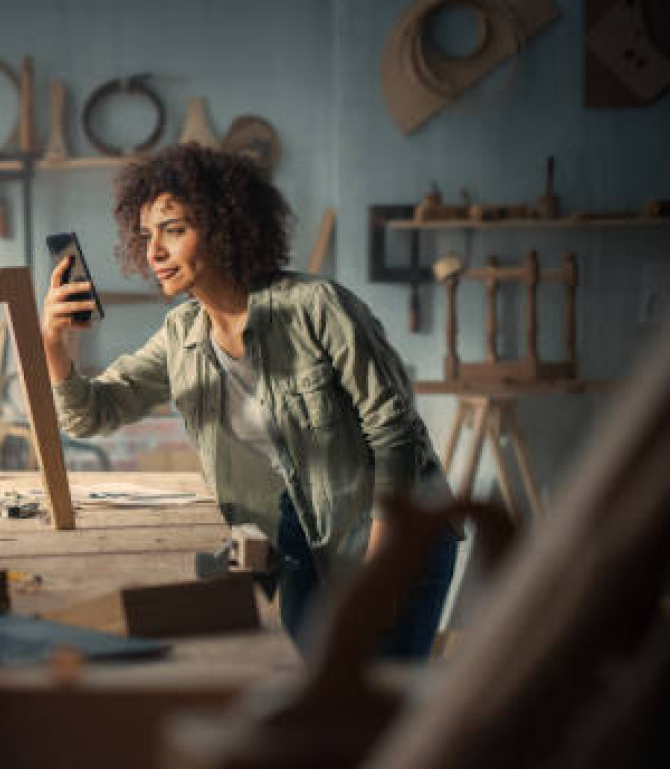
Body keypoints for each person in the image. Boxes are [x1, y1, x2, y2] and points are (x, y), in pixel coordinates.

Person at [42, 143, 456, 660]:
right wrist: (53, 343)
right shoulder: (182, 333)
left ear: (223, 227)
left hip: (397, 528)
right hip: (301, 529)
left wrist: (380, 568)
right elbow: (91, 413)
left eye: (174, 229)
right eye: (147, 235)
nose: (154, 252)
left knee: (382, 699)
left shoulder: (316, 307)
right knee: (318, 688)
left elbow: (394, 433)